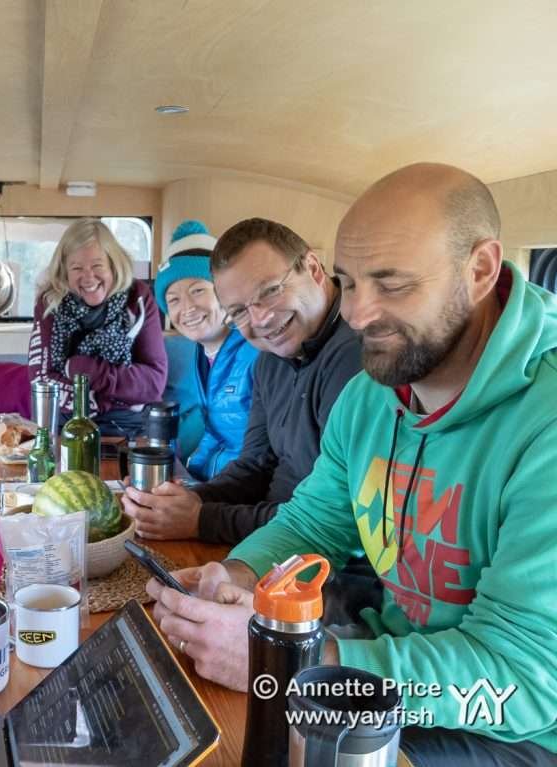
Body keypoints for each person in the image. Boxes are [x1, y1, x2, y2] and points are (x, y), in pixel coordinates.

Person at [147, 163, 557, 764]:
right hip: (385, 663)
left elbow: (526, 679)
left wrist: (301, 664)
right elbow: (314, 524)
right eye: (350, 282)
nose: (359, 314)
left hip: (511, 731)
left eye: (390, 284)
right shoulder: (372, 393)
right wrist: (235, 577)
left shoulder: (543, 418)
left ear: (479, 270)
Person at [123, 217, 362, 543]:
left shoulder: (357, 357)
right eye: (239, 311)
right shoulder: (272, 357)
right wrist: (192, 501)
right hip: (273, 540)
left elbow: (336, 517)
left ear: (313, 268)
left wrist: (202, 519)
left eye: (271, 291)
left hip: (329, 566)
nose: (260, 319)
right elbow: (255, 465)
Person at [27, 218, 167, 436]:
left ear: (113, 264)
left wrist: (90, 372)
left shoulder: (138, 297)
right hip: (66, 421)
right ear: (64, 271)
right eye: (77, 268)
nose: (88, 277)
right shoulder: (49, 303)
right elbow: (42, 382)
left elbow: (153, 383)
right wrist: (102, 399)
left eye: (97, 265)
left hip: (131, 424)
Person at [154, 220, 259, 481]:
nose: (187, 308)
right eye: (173, 299)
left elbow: (258, 456)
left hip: (249, 497)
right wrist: (188, 481)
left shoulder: (255, 352)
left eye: (198, 290)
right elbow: (216, 434)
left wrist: (202, 502)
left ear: (225, 293)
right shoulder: (204, 355)